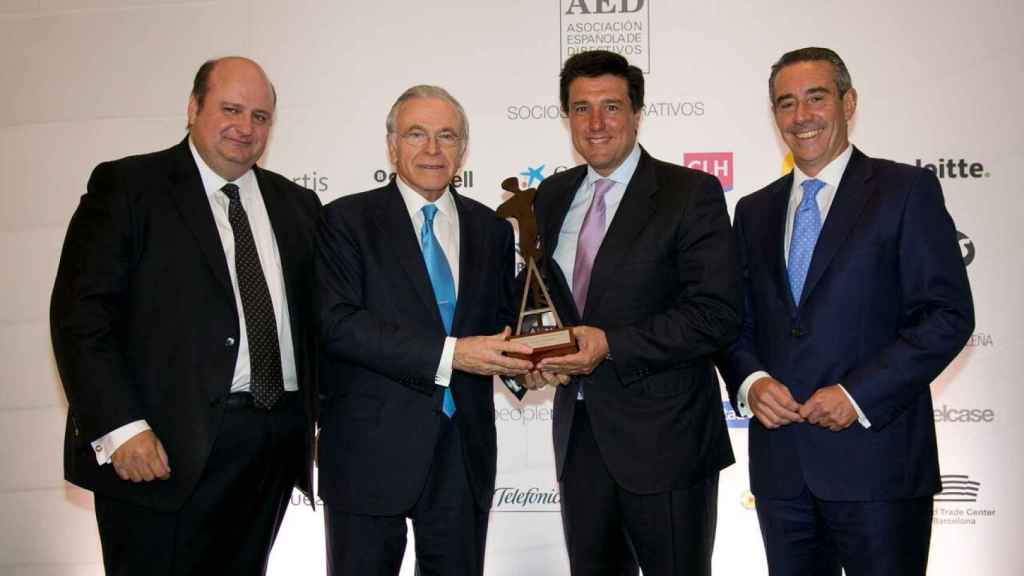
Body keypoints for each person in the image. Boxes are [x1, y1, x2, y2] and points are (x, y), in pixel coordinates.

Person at [50, 57, 321, 575]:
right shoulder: (129, 187)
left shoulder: (298, 205)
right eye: (231, 109)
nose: (245, 127)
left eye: (260, 116)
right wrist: (120, 429)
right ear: (193, 108)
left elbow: (322, 325)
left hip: (271, 447)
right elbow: (80, 317)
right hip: (160, 451)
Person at [716, 47, 974, 576]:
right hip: (782, 474)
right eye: (786, 104)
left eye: (816, 98)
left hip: (878, 467)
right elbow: (731, 321)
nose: (801, 116)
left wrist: (856, 395)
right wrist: (752, 382)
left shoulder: (905, 191)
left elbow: (947, 315)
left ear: (848, 102)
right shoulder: (753, 210)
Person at [525, 50, 742, 575]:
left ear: (637, 113)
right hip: (578, 437)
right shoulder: (551, 197)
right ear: (566, 117)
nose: (596, 124)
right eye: (581, 109)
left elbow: (715, 314)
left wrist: (611, 344)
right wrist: (532, 354)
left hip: (666, 441)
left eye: (611, 107)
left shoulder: (689, 193)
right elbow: (546, 302)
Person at [316, 85, 534, 576]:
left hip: (463, 449)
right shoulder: (345, 220)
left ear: (463, 149)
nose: (433, 149)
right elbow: (338, 324)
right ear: (392, 146)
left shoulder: (492, 229)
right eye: (416, 134)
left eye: (447, 136)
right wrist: (452, 354)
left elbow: (502, 327)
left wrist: (533, 363)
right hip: (368, 451)